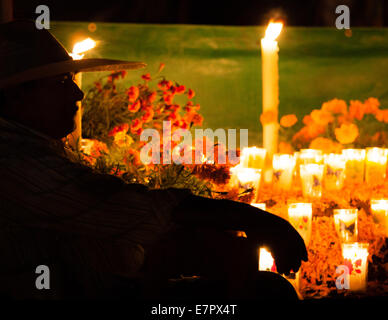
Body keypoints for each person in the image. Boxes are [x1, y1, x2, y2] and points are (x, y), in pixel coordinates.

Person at [0, 20, 307, 300]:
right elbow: (119, 204)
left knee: (266, 291)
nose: (78, 94)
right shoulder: (14, 163)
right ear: (17, 96)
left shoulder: (36, 150)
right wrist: (252, 218)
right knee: (268, 297)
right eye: (62, 82)